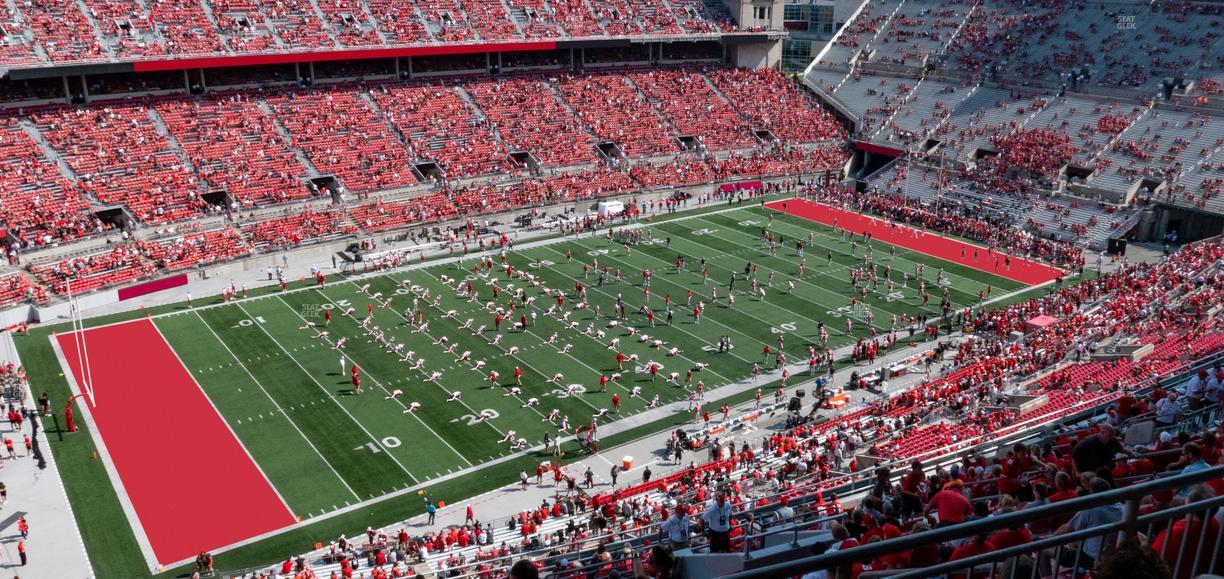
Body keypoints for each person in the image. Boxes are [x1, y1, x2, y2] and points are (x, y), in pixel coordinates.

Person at [1151, 485, 1220, 579]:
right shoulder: (1215, 525)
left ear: (1189, 507)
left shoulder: (1174, 535)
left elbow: (1151, 559)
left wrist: (1145, 545)